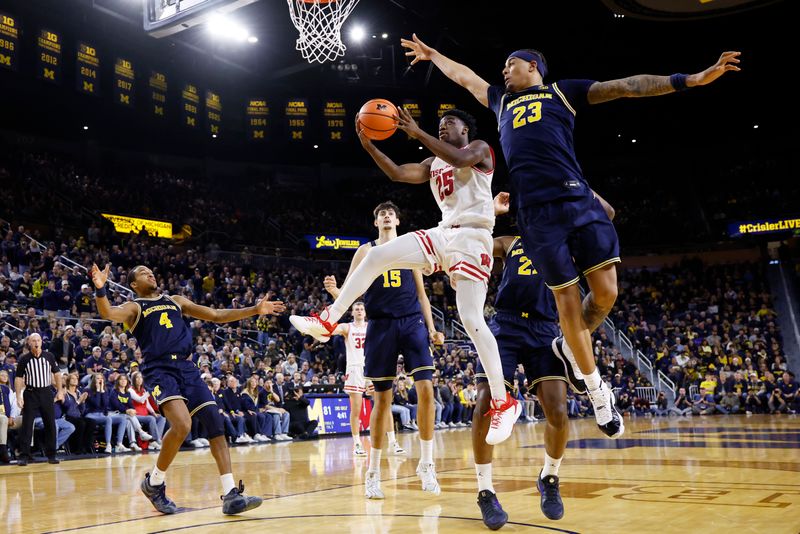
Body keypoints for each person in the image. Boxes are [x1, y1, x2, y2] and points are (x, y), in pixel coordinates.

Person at [402, 33, 741, 439]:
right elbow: (464, 78)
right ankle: (598, 392)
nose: (504, 70)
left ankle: (567, 346)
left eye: (511, 63)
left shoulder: (563, 92)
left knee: (605, 295)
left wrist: (689, 79)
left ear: (533, 67)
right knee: (565, 302)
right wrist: (433, 54)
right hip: (536, 213)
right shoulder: (500, 100)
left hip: (577, 197)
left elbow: (626, 86)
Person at [291, 110, 521, 447]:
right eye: (438, 124)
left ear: (465, 129)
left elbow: (458, 158)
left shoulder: (480, 148)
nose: (442, 127)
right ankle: (327, 321)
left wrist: (416, 132)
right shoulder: (432, 163)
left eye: (449, 124)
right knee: (377, 255)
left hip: (473, 239)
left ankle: (504, 402)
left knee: (472, 320)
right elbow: (398, 173)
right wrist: (369, 145)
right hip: (444, 233)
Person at [91, 262, 285, 515]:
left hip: (187, 368)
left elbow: (215, 315)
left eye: (150, 270)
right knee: (182, 425)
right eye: (141, 272)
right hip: (159, 370)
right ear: (133, 284)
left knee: (215, 422)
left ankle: (230, 494)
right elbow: (108, 313)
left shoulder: (176, 300)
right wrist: (100, 289)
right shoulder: (135, 307)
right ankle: (154, 483)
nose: (149, 272)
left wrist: (255, 309)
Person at [471, 192, 600, 528]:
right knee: (485, 401)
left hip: (545, 330)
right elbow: (475, 239)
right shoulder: (511, 242)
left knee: (557, 410)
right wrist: (491, 212)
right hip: (506, 324)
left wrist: (573, 185)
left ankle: (549, 478)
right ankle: (485, 490)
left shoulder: (567, 245)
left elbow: (607, 214)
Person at [324, 201, 443, 496]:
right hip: (381, 325)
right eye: (381, 214)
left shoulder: (410, 247)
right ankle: (373, 472)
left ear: (398, 221)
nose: (386, 216)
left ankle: (427, 464)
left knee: (427, 389)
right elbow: (353, 289)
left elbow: (422, 294)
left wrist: (431, 327)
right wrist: (335, 292)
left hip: (412, 321)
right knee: (382, 400)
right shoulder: (365, 251)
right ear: (376, 222)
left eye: (391, 213)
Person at [327, 302, 370, 456]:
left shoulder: (371, 326)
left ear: (365, 312)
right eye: (356, 309)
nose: (359, 311)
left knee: (382, 404)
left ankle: (392, 441)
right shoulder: (347, 327)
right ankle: (357, 443)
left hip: (371, 367)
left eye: (361, 309)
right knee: (356, 409)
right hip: (354, 368)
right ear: (352, 313)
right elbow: (331, 329)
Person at [14, 333, 62, 465]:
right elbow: (18, 378)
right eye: (33, 340)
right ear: (29, 343)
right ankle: (24, 455)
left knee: (50, 424)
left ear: (41, 342)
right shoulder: (24, 359)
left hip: (46, 393)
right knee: (27, 424)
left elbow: (57, 374)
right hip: (30, 393)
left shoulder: (49, 356)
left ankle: (51, 454)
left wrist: (60, 391)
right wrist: (18, 396)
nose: (36, 342)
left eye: (38, 340)